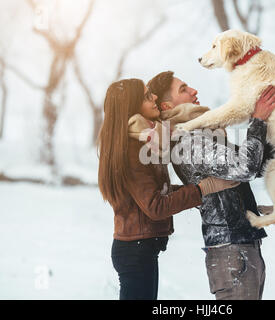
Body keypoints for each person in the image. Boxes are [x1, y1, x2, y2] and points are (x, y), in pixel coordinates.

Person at [97, 78, 240, 300]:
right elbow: (156, 206)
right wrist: (202, 189)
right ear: (132, 106)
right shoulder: (132, 150)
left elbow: (155, 192)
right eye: (146, 96)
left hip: (138, 250)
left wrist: (199, 192)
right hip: (135, 252)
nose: (153, 97)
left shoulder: (141, 140)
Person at [147, 71, 275, 300]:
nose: (194, 91)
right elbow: (245, 167)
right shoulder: (188, 139)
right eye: (183, 89)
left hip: (240, 247)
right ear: (167, 105)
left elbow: (253, 165)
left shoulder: (202, 133)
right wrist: (257, 121)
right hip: (232, 252)